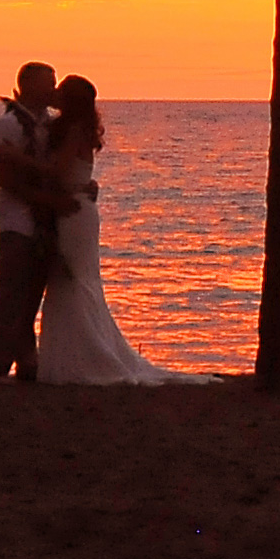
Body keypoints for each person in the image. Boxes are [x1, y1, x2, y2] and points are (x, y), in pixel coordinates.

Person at [32, 74, 164, 385]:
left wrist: (17, 160)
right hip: (79, 208)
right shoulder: (73, 129)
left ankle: (81, 358)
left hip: (74, 212)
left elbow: (58, 171)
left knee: (73, 281)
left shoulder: (73, 130)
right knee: (74, 280)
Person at [0, 61, 69, 380]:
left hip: (44, 221)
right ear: (29, 85)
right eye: (49, 83)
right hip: (16, 221)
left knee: (32, 293)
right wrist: (44, 198)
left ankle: (27, 361)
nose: (54, 89)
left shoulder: (49, 124)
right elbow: (4, 178)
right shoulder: (10, 125)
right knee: (10, 294)